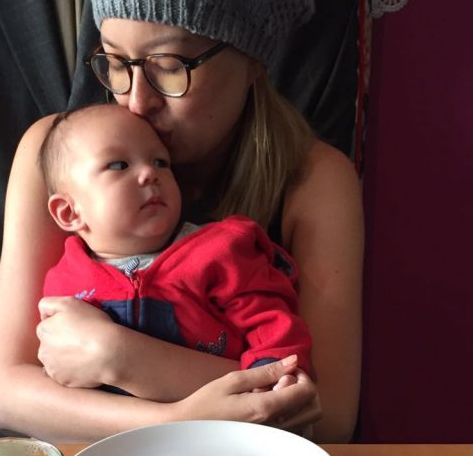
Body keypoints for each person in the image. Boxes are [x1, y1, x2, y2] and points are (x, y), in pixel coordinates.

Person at [0, 0, 363, 442]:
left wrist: (122, 358)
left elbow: (327, 413)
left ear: (251, 59)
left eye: (168, 67)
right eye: (115, 61)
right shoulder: (51, 151)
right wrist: (174, 418)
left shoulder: (314, 180)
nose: (135, 101)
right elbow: (5, 391)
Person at [39, 104, 312, 380]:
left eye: (160, 162)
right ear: (69, 212)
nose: (149, 173)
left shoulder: (221, 252)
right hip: (112, 420)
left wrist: (275, 371)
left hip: (218, 415)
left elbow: (268, 320)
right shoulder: (64, 287)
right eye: (119, 165)